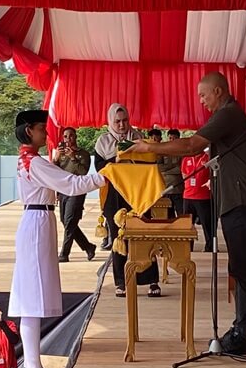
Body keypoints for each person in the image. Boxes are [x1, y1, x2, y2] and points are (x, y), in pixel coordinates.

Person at [129, 72, 246, 355]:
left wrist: (149, 147)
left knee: (242, 268)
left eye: (203, 95)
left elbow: (192, 145)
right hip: (235, 201)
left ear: (218, 91)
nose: (201, 101)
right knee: (238, 267)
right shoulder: (228, 115)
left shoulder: (228, 114)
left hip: (241, 201)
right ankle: (241, 329)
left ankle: (244, 333)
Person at [11, 110, 105, 368]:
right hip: (37, 221)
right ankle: (32, 366)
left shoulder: (29, 159)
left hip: (38, 219)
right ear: (29, 130)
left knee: (31, 296)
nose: (46, 133)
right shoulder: (35, 162)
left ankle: (32, 364)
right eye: (42, 128)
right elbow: (72, 184)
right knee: (32, 296)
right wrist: (104, 177)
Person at [95, 104, 161, 298]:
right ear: (111, 121)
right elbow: (99, 167)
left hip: (138, 195)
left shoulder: (138, 138)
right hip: (114, 195)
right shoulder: (103, 142)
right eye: (117, 121)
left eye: (125, 120)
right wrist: (115, 160)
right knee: (119, 238)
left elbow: (150, 162)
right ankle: (121, 282)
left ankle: (151, 280)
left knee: (144, 235)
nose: (122, 125)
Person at [52, 127, 96, 263]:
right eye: (65, 136)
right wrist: (56, 158)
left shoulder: (83, 154)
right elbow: (53, 172)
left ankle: (64, 253)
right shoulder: (61, 154)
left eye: (71, 136)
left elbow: (83, 172)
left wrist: (73, 157)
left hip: (77, 191)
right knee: (65, 221)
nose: (68, 139)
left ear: (76, 137)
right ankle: (88, 246)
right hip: (63, 191)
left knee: (70, 220)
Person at [181, 150, 213, 252]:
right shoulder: (186, 158)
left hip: (203, 196)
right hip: (188, 195)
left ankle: (210, 247)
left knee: (207, 224)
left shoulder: (207, 158)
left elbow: (212, 174)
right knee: (187, 225)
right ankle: (187, 247)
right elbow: (184, 173)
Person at [159, 129, 184, 218]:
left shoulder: (183, 151)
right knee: (168, 217)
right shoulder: (163, 151)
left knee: (181, 216)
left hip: (178, 188)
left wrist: (166, 170)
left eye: (174, 138)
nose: (172, 140)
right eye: (170, 138)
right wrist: (173, 166)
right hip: (166, 188)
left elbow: (181, 169)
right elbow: (159, 168)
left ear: (179, 138)